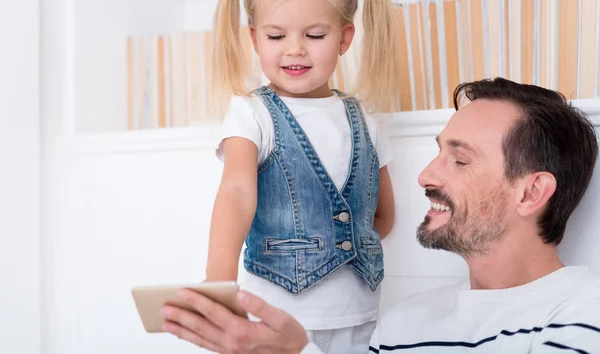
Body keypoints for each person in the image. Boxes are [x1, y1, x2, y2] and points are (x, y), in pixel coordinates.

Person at [160, 78, 600, 353]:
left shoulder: (582, 310)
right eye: (437, 152)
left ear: (531, 192)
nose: (426, 175)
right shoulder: (403, 324)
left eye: (460, 161)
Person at [199, 0, 402, 352]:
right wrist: (217, 284)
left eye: (314, 35)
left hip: (361, 316)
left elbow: (382, 214)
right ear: (255, 38)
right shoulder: (251, 113)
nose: (295, 50)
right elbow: (237, 194)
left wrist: (340, 246)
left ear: (345, 38)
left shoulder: (366, 119)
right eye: (276, 37)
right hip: (275, 316)